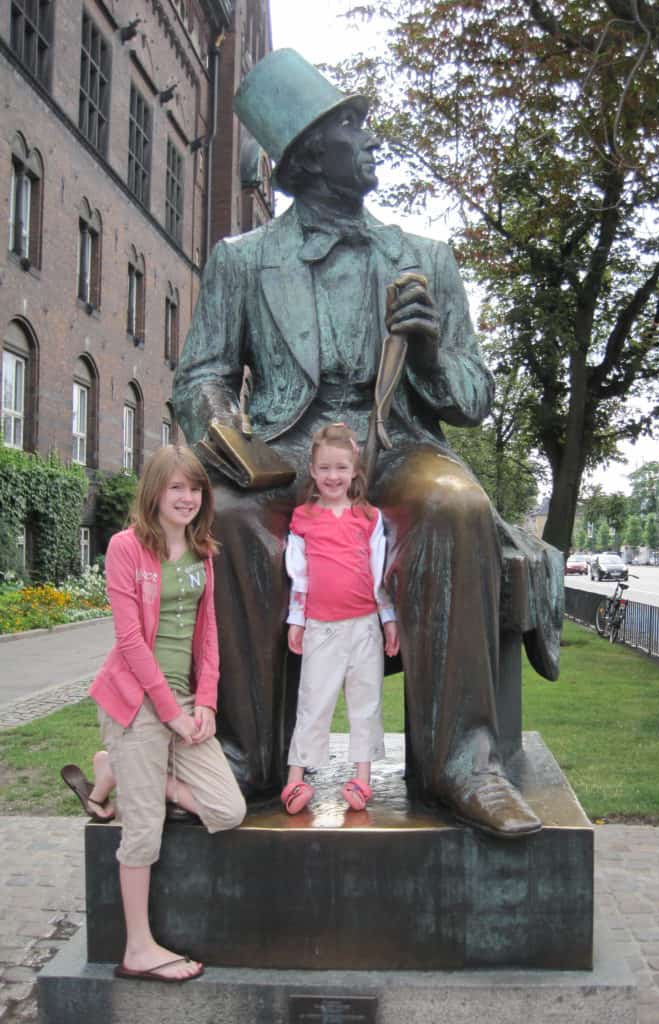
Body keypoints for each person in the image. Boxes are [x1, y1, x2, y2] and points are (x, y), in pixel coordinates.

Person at [172, 49, 562, 837]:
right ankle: (245, 757)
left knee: (454, 505)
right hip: (286, 451)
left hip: (393, 447)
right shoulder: (241, 262)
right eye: (356, 127)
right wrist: (223, 434)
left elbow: (475, 398)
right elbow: (200, 375)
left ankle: (462, 765)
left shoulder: (424, 259)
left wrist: (426, 355)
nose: (373, 139)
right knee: (234, 520)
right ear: (312, 152)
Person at [63, 446, 246, 983]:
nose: (187, 497)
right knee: (143, 830)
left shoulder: (202, 552)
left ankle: (117, 770)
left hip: (185, 704)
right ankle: (138, 949)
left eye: (194, 489)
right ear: (155, 493)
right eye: (176, 488)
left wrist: (205, 702)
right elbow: (129, 641)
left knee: (227, 809)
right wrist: (168, 714)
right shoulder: (125, 547)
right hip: (136, 702)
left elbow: (207, 634)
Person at [281, 423, 399, 815]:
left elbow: (379, 572)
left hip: (364, 625)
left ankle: (361, 779)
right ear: (313, 471)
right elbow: (299, 575)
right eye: (325, 468)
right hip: (322, 627)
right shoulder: (303, 518)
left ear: (354, 472)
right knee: (314, 701)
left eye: (341, 468)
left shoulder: (368, 517)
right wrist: (297, 619)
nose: (333, 476)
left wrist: (388, 619)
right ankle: (296, 779)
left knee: (365, 703)